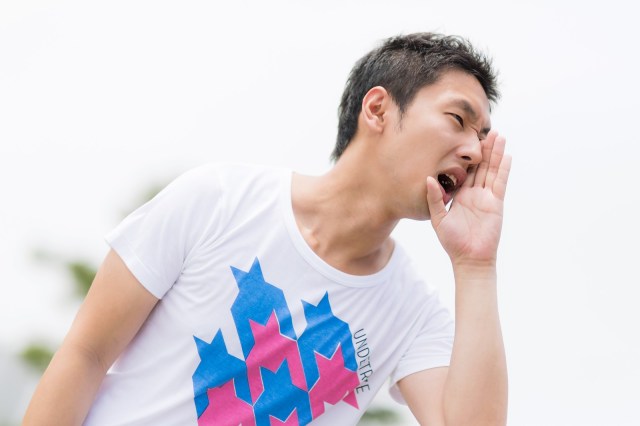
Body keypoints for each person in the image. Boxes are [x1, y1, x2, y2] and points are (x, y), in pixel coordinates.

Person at [24, 32, 510, 425]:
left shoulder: (411, 312)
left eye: (481, 137)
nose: (473, 151)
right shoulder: (218, 200)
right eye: (458, 119)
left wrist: (475, 265)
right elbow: (85, 354)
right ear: (378, 109)